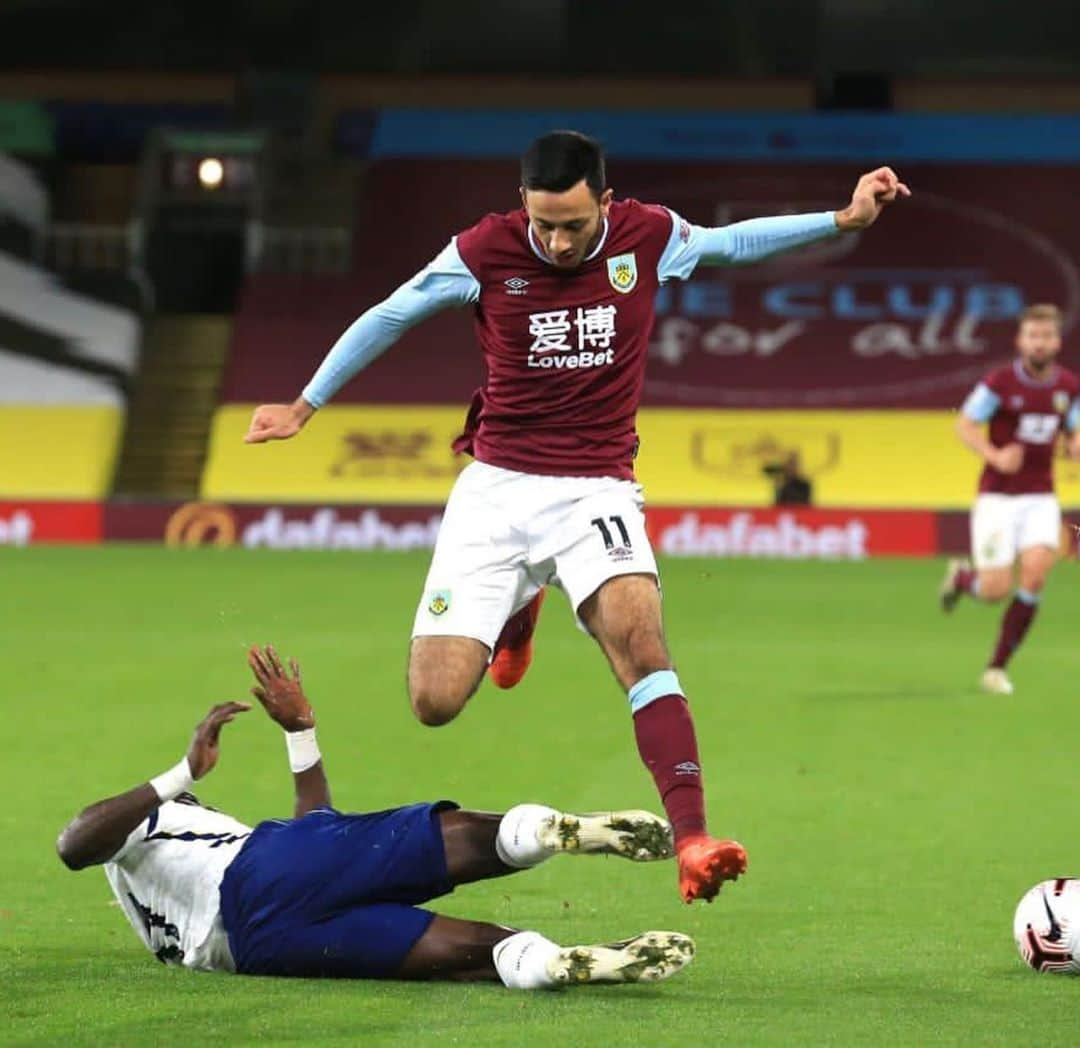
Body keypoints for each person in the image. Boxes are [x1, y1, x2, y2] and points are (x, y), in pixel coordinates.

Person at [244, 130, 910, 901]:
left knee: (643, 646)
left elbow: (732, 243)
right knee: (434, 702)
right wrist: (305, 404)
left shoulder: (648, 235)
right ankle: (522, 607)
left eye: (573, 225)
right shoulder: (482, 251)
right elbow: (391, 315)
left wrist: (842, 219)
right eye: (543, 224)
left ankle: (693, 837)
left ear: (605, 197)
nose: (557, 242)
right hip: (495, 491)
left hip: (596, 489)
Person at [55, 646, 693, 989]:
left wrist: (300, 734)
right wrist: (180, 777)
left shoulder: (160, 905)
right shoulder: (146, 826)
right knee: (460, 841)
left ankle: (551, 964)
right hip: (256, 877)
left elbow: (315, 830)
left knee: (468, 956)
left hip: (261, 949)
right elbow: (75, 841)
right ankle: (547, 831)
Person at [940, 303, 1080, 695]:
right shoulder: (999, 383)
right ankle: (963, 579)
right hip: (997, 498)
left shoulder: (1068, 386)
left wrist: (1075, 444)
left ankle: (996, 669)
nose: (1039, 343)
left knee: (1036, 574)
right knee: (995, 590)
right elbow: (964, 424)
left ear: (1056, 341)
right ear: (1021, 341)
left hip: (1040, 496)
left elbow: (1074, 430)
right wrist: (995, 455)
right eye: (1032, 336)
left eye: (1046, 336)